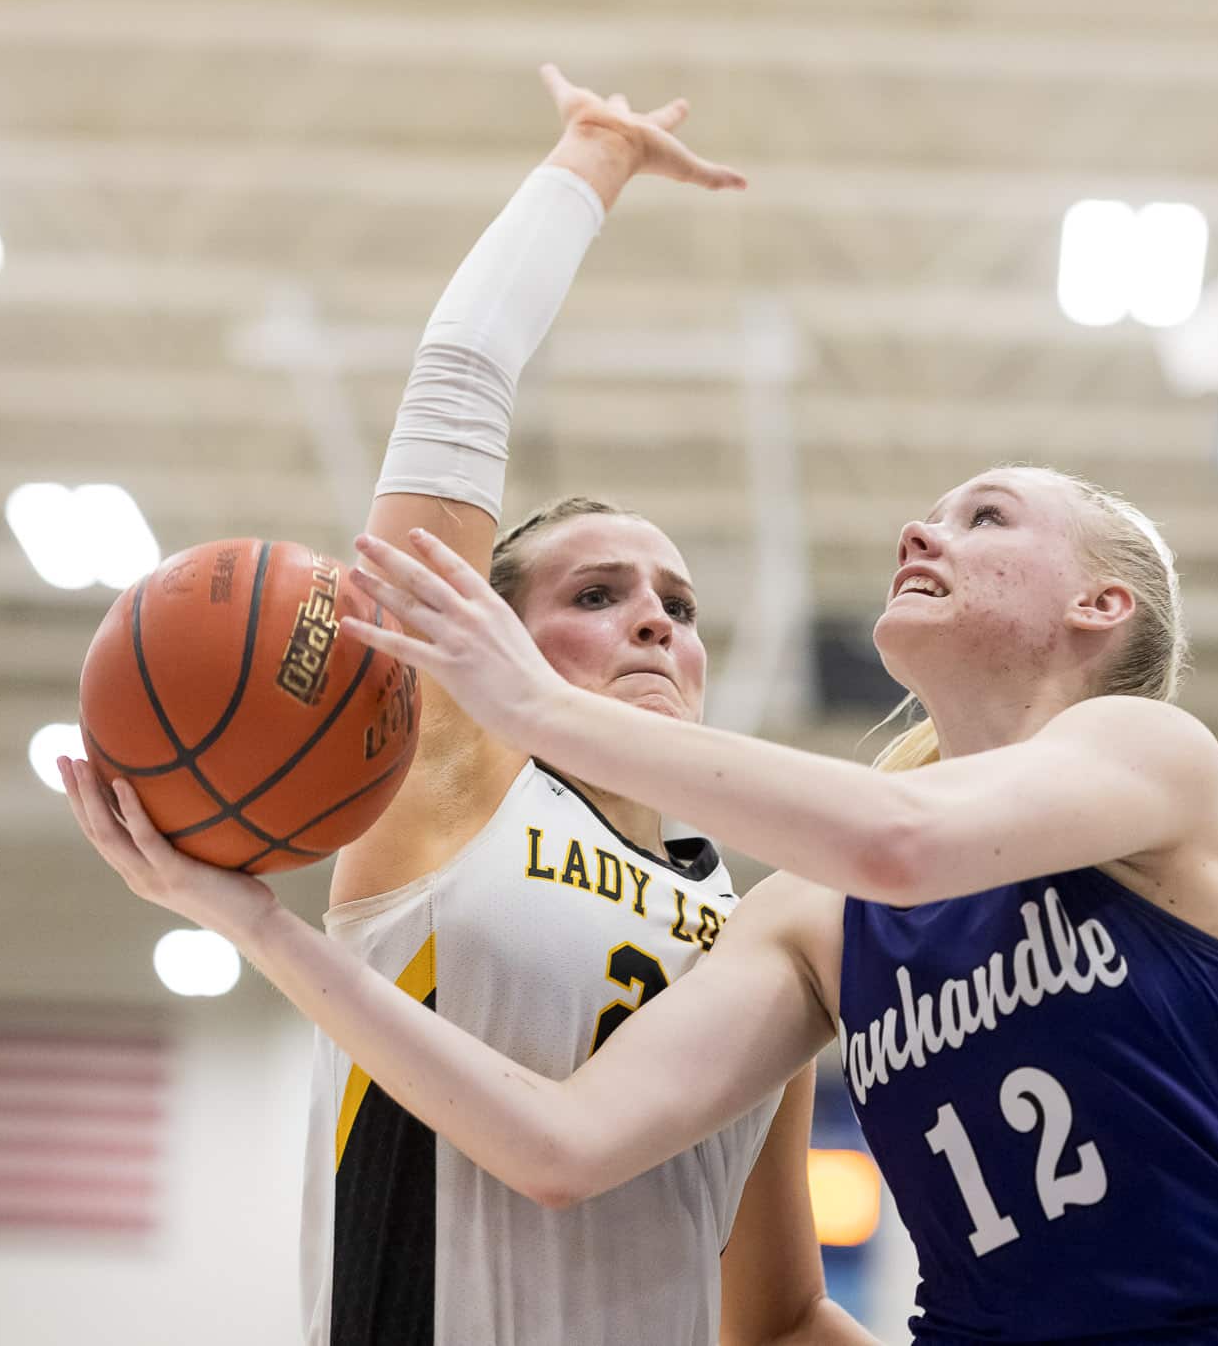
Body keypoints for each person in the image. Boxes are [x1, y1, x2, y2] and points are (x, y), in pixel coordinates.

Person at [69, 321, 1218, 1338]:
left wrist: (537, 703)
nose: (919, 532)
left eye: (985, 517)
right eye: (933, 515)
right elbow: (558, 1147)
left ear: (1100, 604)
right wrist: (257, 929)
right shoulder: (809, 918)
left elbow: (897, 839)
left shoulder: (1149, 758)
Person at [62, 66, 869, 1346]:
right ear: (481, 640)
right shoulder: (450, 779)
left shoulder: (752, 930)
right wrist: (592, 159)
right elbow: (461, 372)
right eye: (596, 592)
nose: (654, 619)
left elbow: (775, 1320)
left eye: (677, 602)